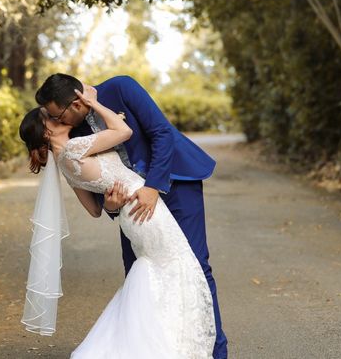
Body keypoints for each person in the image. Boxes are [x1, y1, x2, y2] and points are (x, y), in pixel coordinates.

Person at [35, 73, 229, 359]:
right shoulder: (72, 134)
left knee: (196, 266)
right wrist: (112, 206)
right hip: (131, 207)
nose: (58, 123)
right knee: (139, 274)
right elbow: (97, 184)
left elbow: (161, 132)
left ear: (76, 103)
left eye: (58, 115)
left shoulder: (121, 88)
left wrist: (153, 186)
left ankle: (215, 352)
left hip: (174, 182)